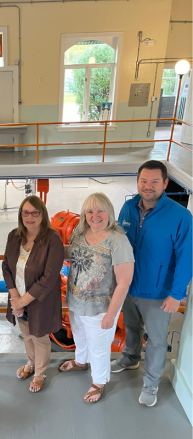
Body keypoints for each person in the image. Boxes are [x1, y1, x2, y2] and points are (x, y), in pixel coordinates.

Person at [111, 160, 192, 407]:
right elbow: (118, 244)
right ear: (137, 182)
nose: (148, 186)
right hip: (128, 287)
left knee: (156, 340)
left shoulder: (180, 216)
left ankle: (151, 382)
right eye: (143, 181)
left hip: (158, 292)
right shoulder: (128, 207)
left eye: (155, 181)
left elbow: (186, 258)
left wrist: (176, 293)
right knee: (132, 327)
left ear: (165, 183)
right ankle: (131, 357)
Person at [58, 193, 134, 404]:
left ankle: (99, 382)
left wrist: (111, 314)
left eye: (100, 210)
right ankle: (80, 362)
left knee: (99, 349)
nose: (95, 215)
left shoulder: (118, 241)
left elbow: (124, 282)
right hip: (76, 301)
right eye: (90, 211)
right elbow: (70, 254)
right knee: (80, 337)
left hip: (101, 308)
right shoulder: (79, 232)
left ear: (109, 211)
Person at [2, 195, 64, 393]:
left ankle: (40, 373)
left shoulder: (52, 239)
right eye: (26, 212)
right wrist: (15, 297)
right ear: (21, 215)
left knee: (40, 336)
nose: (30, 217)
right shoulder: (14, 236)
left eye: (35, 212)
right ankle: (31, 362)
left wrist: (22, 301)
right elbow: (5, 266)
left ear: (42, 215)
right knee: (26, 334)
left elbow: (50, 276)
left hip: (40, 299)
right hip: (18, 297)